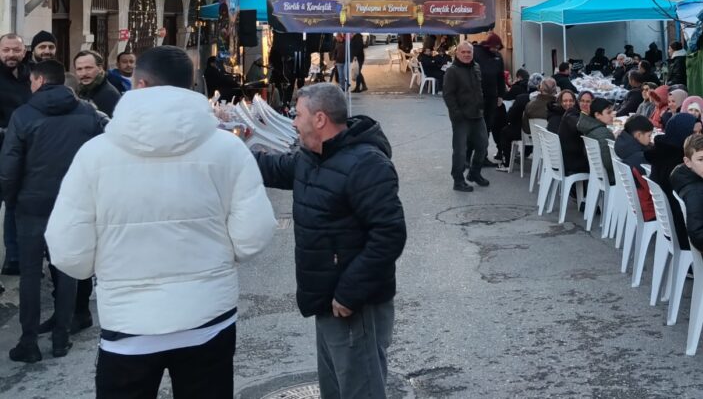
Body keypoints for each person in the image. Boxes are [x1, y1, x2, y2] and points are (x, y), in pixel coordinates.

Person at [45, 46, 276, 398]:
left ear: (138, 84)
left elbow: (66, 249)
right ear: (191, 86)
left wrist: (103, 268)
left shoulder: (94, 155)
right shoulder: (228, 151)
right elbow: (253, 234)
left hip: (128, 325)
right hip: (207, 319)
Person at [254, 83, 407, 397]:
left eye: (298, 115)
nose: (293, 122)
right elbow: (271, 168)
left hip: (353, 306)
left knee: (359, 390)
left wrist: (349, 294)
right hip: (327, 301)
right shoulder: (311, 157)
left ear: (320, 119)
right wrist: (226, 146)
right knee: (336, 390)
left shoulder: (366, 164)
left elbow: (390, 235)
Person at [1, 60, 104, 363]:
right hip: (73, 203)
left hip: (32, 204)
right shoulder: (87, 113)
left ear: (38, 80)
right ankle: (61, 337)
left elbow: (8, 167)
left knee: (31, 274)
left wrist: (12, 199)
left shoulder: (24, 115)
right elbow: (100, 156)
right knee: (66, 268)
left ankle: (28, 342)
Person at [0, 33, 31, 277]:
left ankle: (13, 257)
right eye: (6, 50)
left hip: (23, 153)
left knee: (14, 205)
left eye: (16, 50)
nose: (11, 54)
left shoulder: (30, 75)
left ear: (24, 51)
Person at [442, 42, 490, 192]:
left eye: (469, 52)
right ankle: (458, 180)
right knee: (460, 150)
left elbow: (479, 88)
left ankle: (474, 173)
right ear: (457, 54)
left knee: (483, 145)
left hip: (477, 114)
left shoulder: (476, 67)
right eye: (463, 52)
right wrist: (456, 114)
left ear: (472, 53)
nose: (466, 55)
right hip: (461, 117)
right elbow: (448, 95)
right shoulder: (452, 71)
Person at [671, 134, 703, 270]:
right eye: (701, 159)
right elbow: (699, 235)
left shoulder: (694, 178)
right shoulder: (696, 193)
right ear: (687, 162)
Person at [614, 115, 657, 221]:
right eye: (649, 136)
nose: (650, 139)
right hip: (648, 207)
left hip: (635, 201)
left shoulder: (623, 147)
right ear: (638, 135)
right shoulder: (640, 158)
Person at [473, 33, 508, 162]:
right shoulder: (476, 53)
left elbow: (500, 77)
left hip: (492, 96)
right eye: (494, 47)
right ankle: (471, 155)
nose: (495, 50)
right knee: (476, 127)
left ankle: (483, 156)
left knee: (487, 127)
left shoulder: (498, 57)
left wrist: (500, 95)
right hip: (477, 95)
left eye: (498, 48)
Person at [499, 74, 542, 170]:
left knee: (504, 132)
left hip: (522, 132)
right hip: (543, 135)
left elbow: (510, 116)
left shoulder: (522, 98)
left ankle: (506, 163)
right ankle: (526, 152)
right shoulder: (551, 101)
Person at [646, 113, 696, 190]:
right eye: (694, 133)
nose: (700, 137)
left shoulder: (662, 150)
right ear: (681, 132)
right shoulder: (677, 160)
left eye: (701, 132)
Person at [577, 97, 616, 182]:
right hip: (611, 178)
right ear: (597, 115)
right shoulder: (604, 133)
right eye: (609, 112)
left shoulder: (590, 128)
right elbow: (609, 164)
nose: (613, 114)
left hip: (597, 174)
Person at [73, 50, 121, 118]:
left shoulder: (109, 94)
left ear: (100, 68)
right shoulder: (82, 90)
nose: (84, 73)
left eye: (88, 68)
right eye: (79, 69)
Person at [559, 91, 593, 176]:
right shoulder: (571, 113)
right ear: (578, 102)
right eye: (582, 101)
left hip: (573, 156)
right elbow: (580, 125)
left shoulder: (585, 115)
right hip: (572, 161)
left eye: (588, 102)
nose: (585, 104)